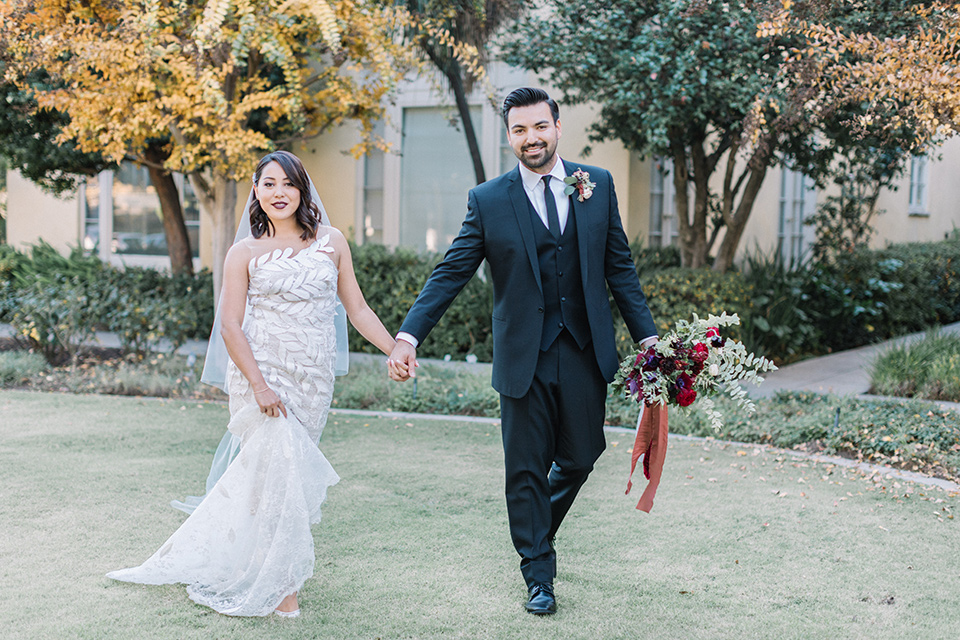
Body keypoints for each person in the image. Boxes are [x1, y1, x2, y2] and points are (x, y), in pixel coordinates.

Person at [387, 87, 658, 615]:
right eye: (518, 130)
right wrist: (408, 335)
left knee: (582, 457)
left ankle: (535, 529)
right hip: (522, 355)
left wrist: (649, 340)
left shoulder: (596, 186)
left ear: (557, 127)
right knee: (526, 469)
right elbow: (452, 272)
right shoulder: (488, 200)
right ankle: (538, 573)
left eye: (539, 127)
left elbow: (619, 269)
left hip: (582, 349)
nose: (530, 138)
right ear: (508, 135)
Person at [108, 150, 397, 617]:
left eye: (288, 183)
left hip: (313, 378)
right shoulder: (242, 252)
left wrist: (394, 348)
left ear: (301, 189)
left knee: (287, 482)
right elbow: (230, 326)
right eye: (268, 184)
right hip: (263, 376)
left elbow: (357, 309)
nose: (278, 192)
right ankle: (284, 590)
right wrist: (261, 385)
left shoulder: (333, 241)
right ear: (256, 192)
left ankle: (258, 563)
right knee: (276, 475)